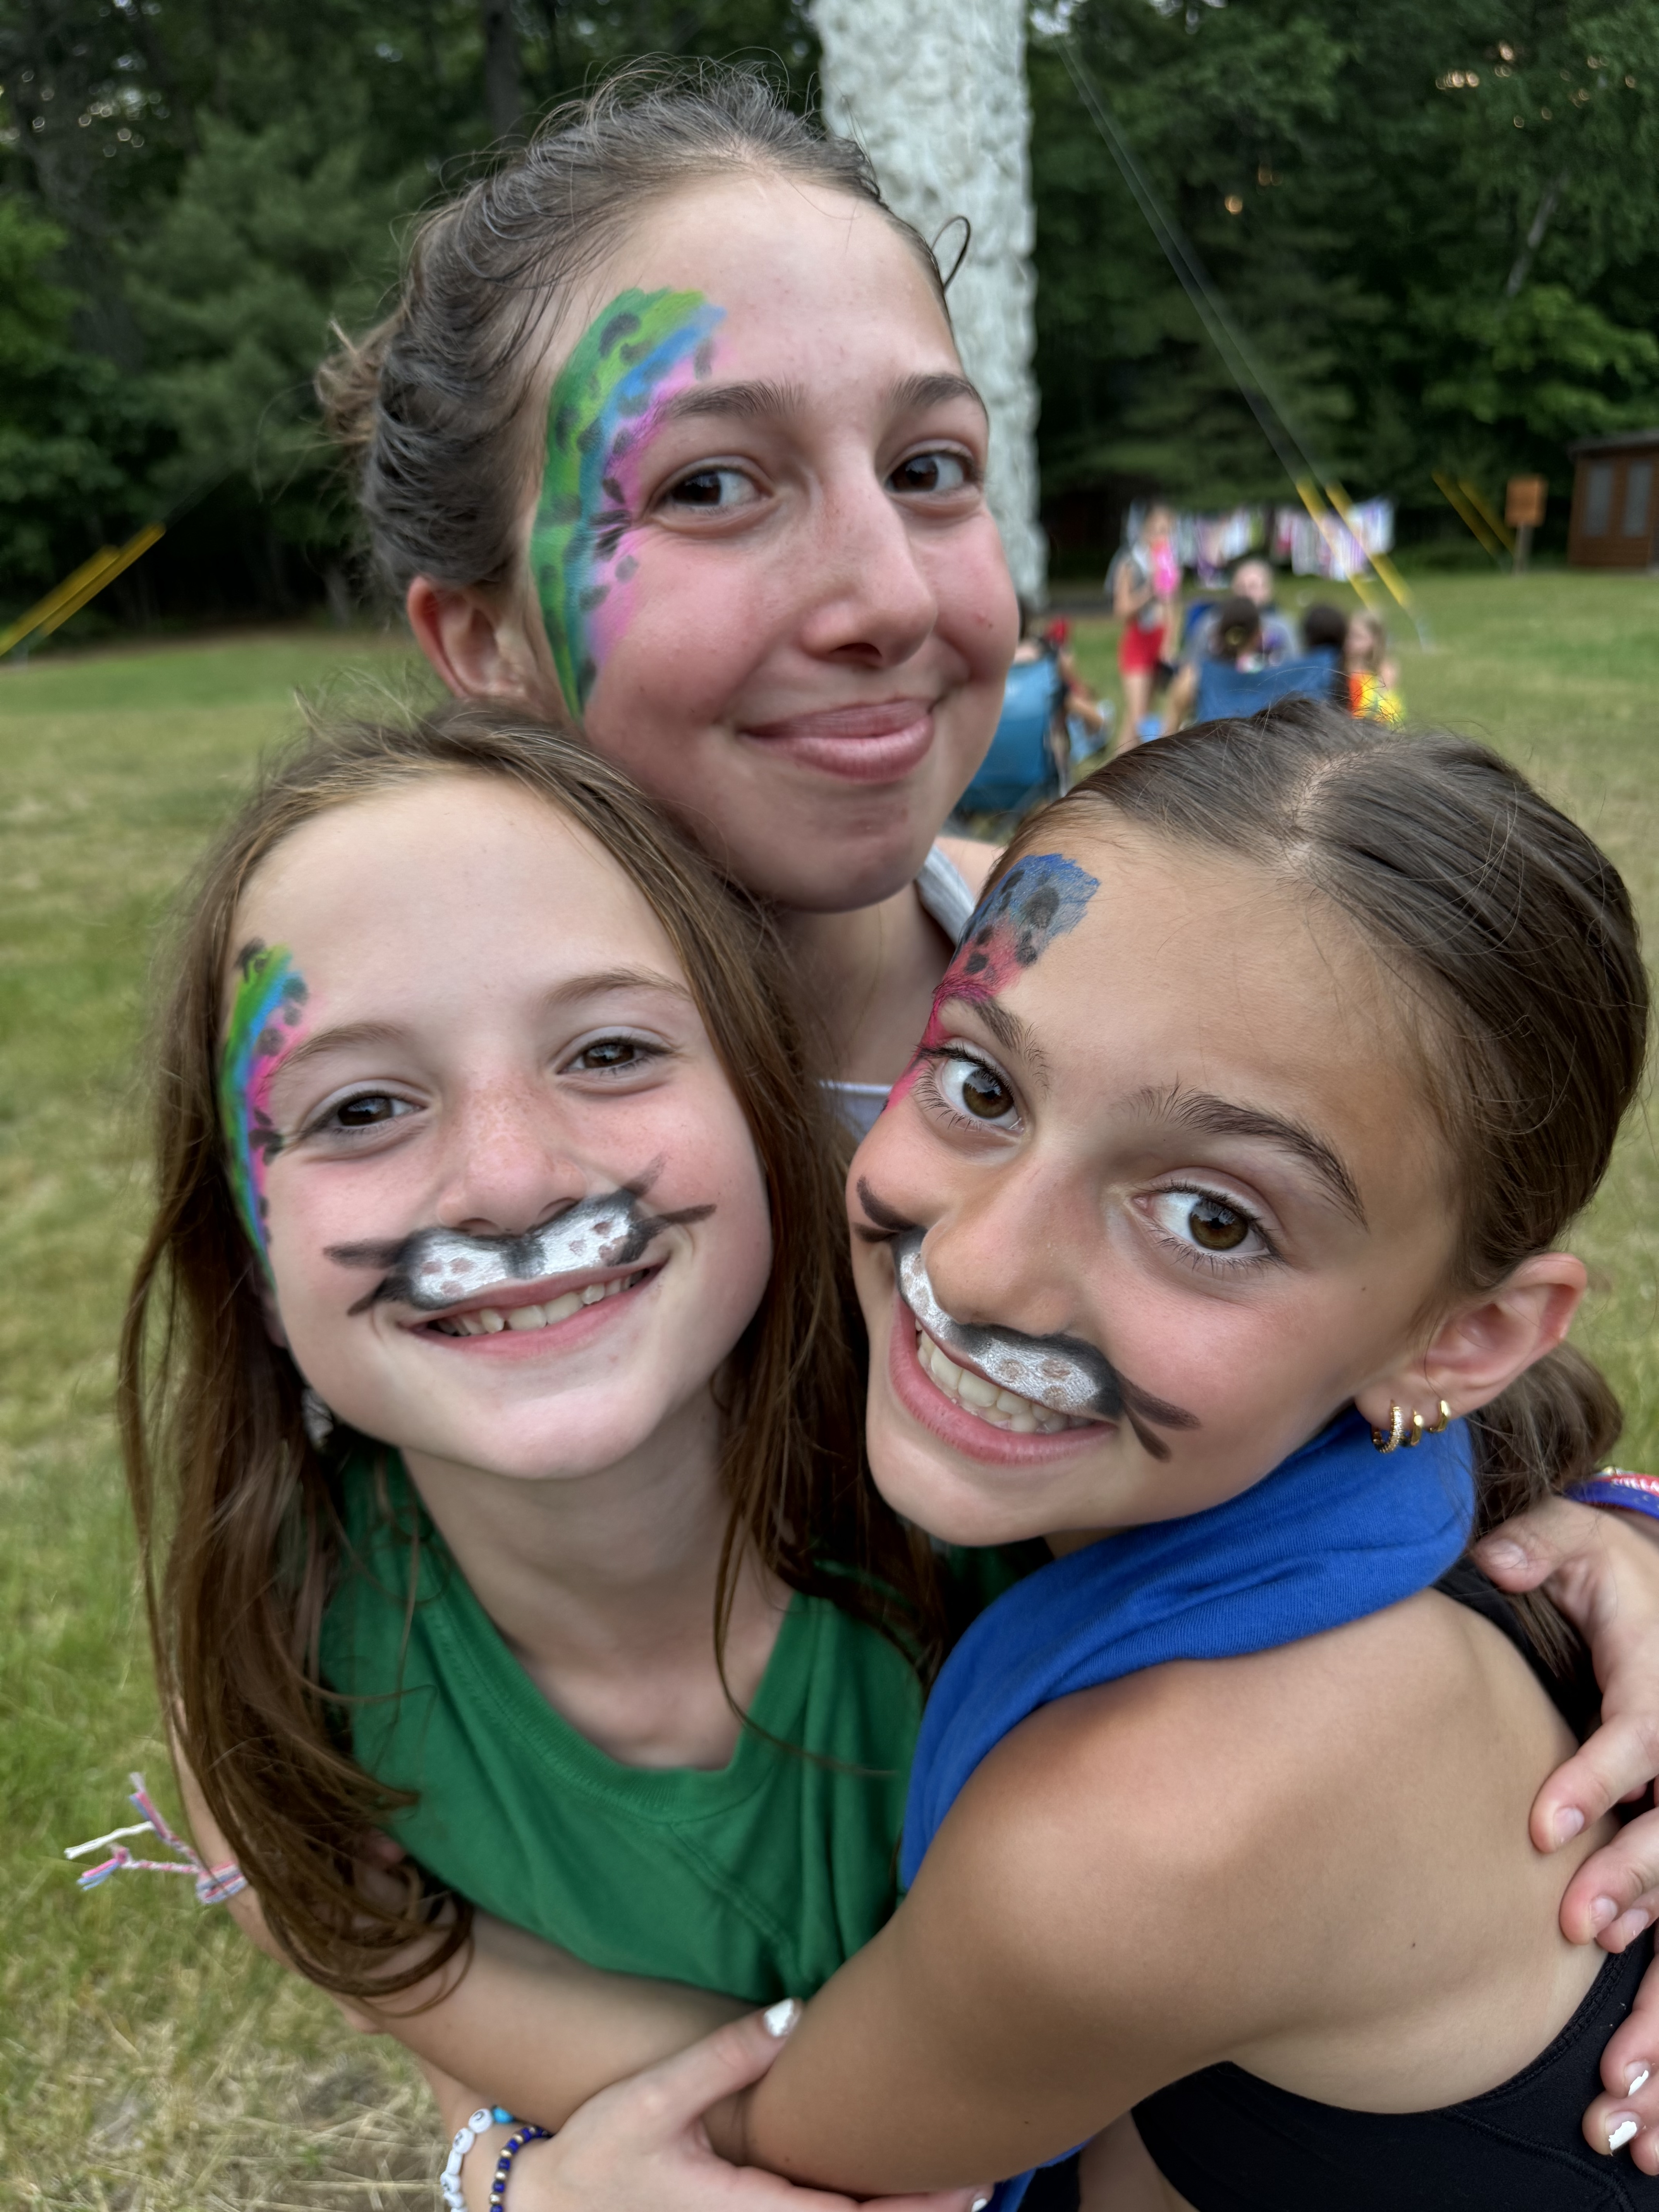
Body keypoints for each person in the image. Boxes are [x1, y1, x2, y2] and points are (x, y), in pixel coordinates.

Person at [317, 70, 1659, 1815]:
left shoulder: (1128, 969)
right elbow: (266, 1649)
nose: (886, 592)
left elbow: (1426, 1322)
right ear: (483, 635)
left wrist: (1585, 1551)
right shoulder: (404, 1136)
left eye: (929, 469)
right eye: (714, 484)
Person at [608, 701, 1659, 2208]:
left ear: (1462, 1340)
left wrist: (371, 1952)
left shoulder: (1147, 1832)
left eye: (1211, 1219)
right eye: (983, 1087)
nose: (976, 1265)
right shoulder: (1429, 1505)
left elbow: (751, 2169)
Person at [122, 702, 987, 2212]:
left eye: (609, 1050)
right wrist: (517, 2176)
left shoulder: (1006, 1530)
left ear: (770, 1111)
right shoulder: (281, 1666)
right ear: (248, 1260)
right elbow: (350, 1934)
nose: (512, 1179)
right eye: (362, 1107)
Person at [1105, 506, 1178, 745]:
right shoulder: (1130, 563)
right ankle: (1133, 763)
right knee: (1140, 719)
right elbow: (1121, 610)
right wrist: (1149, 590)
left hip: (1158, 639)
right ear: (1146, 531)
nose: (1162, 538)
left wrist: (1169, 643)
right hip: (1137, 640)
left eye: (1167, 532)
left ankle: (1118, 764)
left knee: (1142, 713)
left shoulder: (1167, 563)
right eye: (1158, 531)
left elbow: (1171, 607)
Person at [1158, 592, 1263, 732]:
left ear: (1219, 632)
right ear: (1258, 634)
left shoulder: (1196, 675)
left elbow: (1169, 730)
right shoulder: (1273, 676)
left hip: (1212, 744)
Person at [1345, 607, 1406, 725]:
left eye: (1358, 637)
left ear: (1375, 640)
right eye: (1348, 635)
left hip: (1374, 727)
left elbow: (1385, 709)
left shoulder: (1384, 670)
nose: (1350, 642)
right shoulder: (1341, 665)